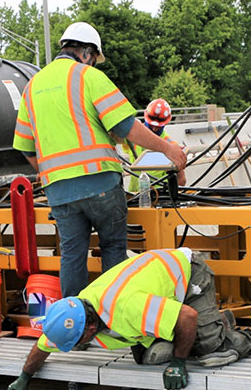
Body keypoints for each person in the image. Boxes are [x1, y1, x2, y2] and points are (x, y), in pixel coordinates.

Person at [12, 22, 188, 298]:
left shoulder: (32, 87)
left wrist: (48, 173)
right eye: (94, 59)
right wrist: (167, 149)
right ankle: (113, 319)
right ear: (86, 52)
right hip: (100, 184)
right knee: (113, 248)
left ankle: (74, 326)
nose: (93, 64)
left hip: (59, 191)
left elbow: (25, 147)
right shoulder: (87, 77)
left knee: (72, 255)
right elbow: (125, 126)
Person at [6, 248, 251, 390]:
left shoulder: (127, 309)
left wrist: (179, 364)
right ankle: (214, 326)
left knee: (209, 354)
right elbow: (44, 346)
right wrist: (24, 377)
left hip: (187, 277)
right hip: (155, 295)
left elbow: (187, 316)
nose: (77, 347)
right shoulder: (71, 312)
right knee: (152, 355)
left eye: (79, 342)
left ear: (90, 328)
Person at [120, 98, 175, 193]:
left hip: (160, 194)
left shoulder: (170, 145)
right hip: (136, 194)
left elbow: (182, 181)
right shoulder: (132, 136)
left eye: (158, 127)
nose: (154, 128)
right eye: (151, 125)